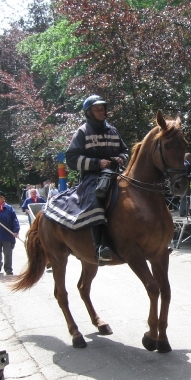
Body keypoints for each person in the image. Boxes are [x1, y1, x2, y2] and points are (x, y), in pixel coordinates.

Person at [53, 94, 129, 263]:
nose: (101, 111)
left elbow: (125, 150)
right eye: (97, 109)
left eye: (102, 108)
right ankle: (99, 246)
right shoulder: (82, 132)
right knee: (97, 196)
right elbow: (71, 158)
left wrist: (121, 159)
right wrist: (96, 163)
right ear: (89, 112)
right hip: (92, 177)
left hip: (116, 172)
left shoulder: (113, 130)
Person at [178, 152, 191, 217]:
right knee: (185, 197)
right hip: (185, 182)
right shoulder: (187, 164)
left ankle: (189, 211)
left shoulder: (182, 163)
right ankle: (183, 212)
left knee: (186, 197)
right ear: (189, 158)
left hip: (181, 183)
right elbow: (187, 174)